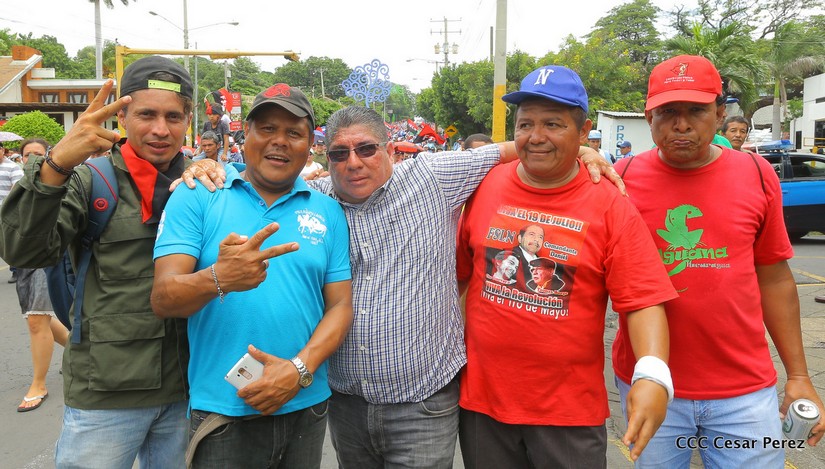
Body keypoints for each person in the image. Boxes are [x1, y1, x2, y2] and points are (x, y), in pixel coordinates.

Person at [456, 65, 676, 468]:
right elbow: (458, 277)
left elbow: (643, 299)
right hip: (483, 406)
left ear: (584, 131)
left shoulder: (609, 204)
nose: (536, 136)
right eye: (525, 124)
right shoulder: (485, 184)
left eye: (553, 124)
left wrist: (652, 373)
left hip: (568, 414)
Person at [612, 54, 825, 468]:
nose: (681, 125)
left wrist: (799, 376)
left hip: (744, 391)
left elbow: (774, 278)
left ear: (720, 113)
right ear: (649, 116)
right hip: (652, 383)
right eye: (667, 112)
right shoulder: (622, 177)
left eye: (696, 110)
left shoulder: (757, 173)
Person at [0, 56, 208, 468]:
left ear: (188, 120)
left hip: (189, 388)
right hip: (107, 395)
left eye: (173, 116)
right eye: (146, 115)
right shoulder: (87, 179)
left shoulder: (204, 181)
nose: (160, 129)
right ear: (122, 116)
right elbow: (23, 251)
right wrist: (56, 164)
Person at [152, 83, 353, 468]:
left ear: (310, 145)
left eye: (293, 132)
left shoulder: (328, 211)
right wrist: (218, 277)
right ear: (246, 133)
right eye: (267, 128)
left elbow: (340, 306)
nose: (280, 141)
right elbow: (163, 298)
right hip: (223, 413)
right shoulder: (198, 193)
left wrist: (298, 370)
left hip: (306, 406)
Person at [6, 138, 70, 413]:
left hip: (47, 255)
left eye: (38, 154)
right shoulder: (18, 184)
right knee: (35, 318)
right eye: (27, 155)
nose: (32, 159)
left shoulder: (59, 182)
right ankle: (80, 351)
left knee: (36, 319)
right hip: (21, 256)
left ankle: (38, 385)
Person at [0, 140, 24, 283]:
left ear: (3, 150)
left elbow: (17, 187)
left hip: (7, 211)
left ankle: (15, 270)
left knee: (9, 242)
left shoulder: (13, 167)